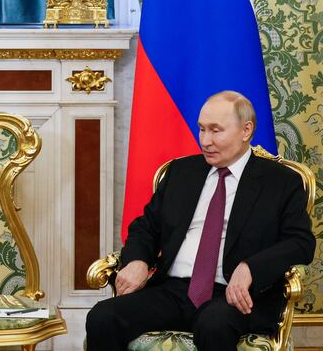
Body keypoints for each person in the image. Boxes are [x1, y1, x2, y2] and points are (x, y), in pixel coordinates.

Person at [86, 91, 314, 351]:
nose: (205, 141)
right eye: (202, 129)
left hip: (233, 296)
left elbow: (301, 242)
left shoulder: (280, 181)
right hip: (172, 291)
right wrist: (138, 260)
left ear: (246, 130)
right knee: (103, 316)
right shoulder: (181, 172)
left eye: (216, 131)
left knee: (213, 324)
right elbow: (146, 227)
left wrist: (250, 267)